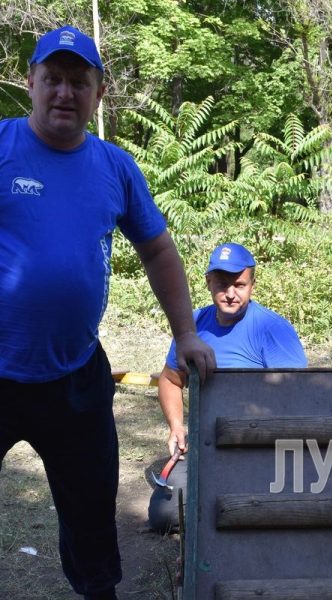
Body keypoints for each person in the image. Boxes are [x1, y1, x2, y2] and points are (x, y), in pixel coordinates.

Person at [0, 25, 215, 600]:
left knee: (92, 513)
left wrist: (187, 333)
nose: (65, 93)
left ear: (98, 94)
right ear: (32, 83)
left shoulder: (115, 167)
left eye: (79, 82)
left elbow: (159, 251)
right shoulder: (1, 146)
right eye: (54, 79)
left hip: (74, 378)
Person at [149, 242, 307, 532]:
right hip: (207, 447)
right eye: (222, 284)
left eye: (239, 284)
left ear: (252, 285)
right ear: (208, 282)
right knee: (164, 517)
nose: (231, 293)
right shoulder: (192, 326)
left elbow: (298, 398)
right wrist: (176, 426)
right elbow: (170, 380)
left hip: (260, 449)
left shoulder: (273, 329)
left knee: (250, 512)